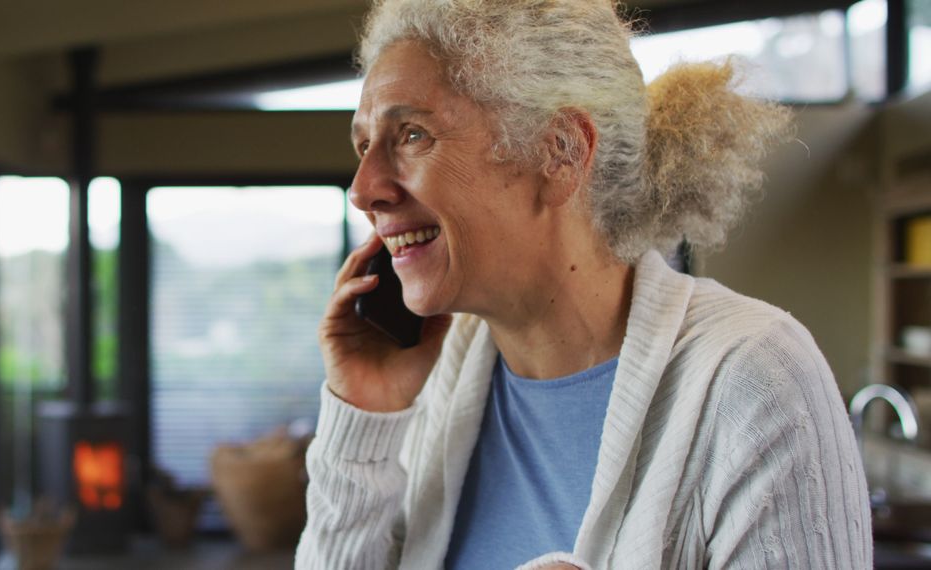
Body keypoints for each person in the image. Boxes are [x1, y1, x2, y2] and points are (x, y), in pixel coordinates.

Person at [295, 0, 872, 568]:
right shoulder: (443, 368)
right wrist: (363, 415)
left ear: (560, 152)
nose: (364, 188)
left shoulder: (752, 379)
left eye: (413, 135)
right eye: (364, 145)